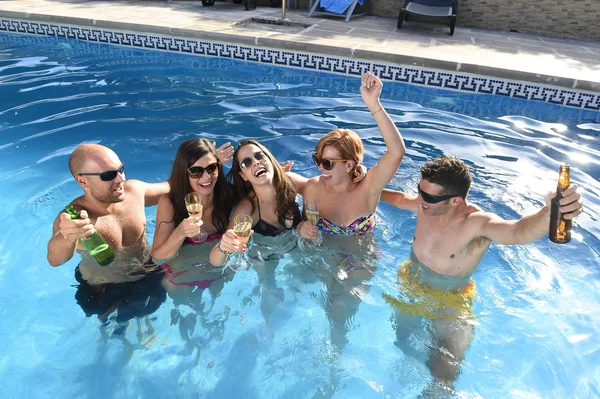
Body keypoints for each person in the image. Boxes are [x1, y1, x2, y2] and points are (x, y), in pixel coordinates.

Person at [380, 155, 583, 392]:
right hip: (412, 285)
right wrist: (366, 185)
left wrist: (550, 213)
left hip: (450, 301)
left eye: (429, 196)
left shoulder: (477, 224)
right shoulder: (427, 206)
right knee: (404, 344)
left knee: (443, 376)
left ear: (455, 201)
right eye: (420, 191)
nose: (420, 200)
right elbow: (399, 198)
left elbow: (518, 231)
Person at [47, 143, 170, 336]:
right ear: (83, 181)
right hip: (102, 289)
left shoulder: (134, 192)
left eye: (121, 169)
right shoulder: (75, 219)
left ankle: (143, 323)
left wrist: (207, 168)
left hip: (145, 273)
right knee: (112, 332)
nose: (121, 179)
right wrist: (67, 236)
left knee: (148, 310)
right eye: (108, 175)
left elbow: (174, 187)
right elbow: (54, 259)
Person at [297, 71, 406, 239]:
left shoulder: (369, 188)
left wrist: (373, 104)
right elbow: (278, 179)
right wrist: (300, 227)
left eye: (327, 163)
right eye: (318, 160)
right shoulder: (313, 188)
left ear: (349, 165)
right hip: (319, 260)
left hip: (361, 262)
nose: (320, 168)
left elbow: (397, 152)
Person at [209, 140, 303, 266]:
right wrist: (224, 246)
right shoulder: (248, 208)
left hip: (299, 254)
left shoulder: (291, 183)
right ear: (243, 176)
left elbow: (320, 187)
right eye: (246, 163)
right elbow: (216, 262)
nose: (256, 162)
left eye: (260, 156)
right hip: (265, 257)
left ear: (270, 159)